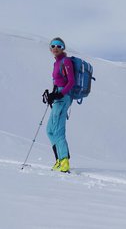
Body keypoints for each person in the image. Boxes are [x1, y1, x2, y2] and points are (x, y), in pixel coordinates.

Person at [45, 37, 75, 172]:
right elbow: (57, 81)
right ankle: (59, 159)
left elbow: (71, 82)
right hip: (58, 97)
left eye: (59, 45)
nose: (55, 48)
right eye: (53, 46)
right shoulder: (56, 63)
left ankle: (64, 162)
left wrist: (60, 94)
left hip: (64, 97)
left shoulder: (66, 61)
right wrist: (52, 95)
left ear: (63, 48)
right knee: (50, 130)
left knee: (58, 130)